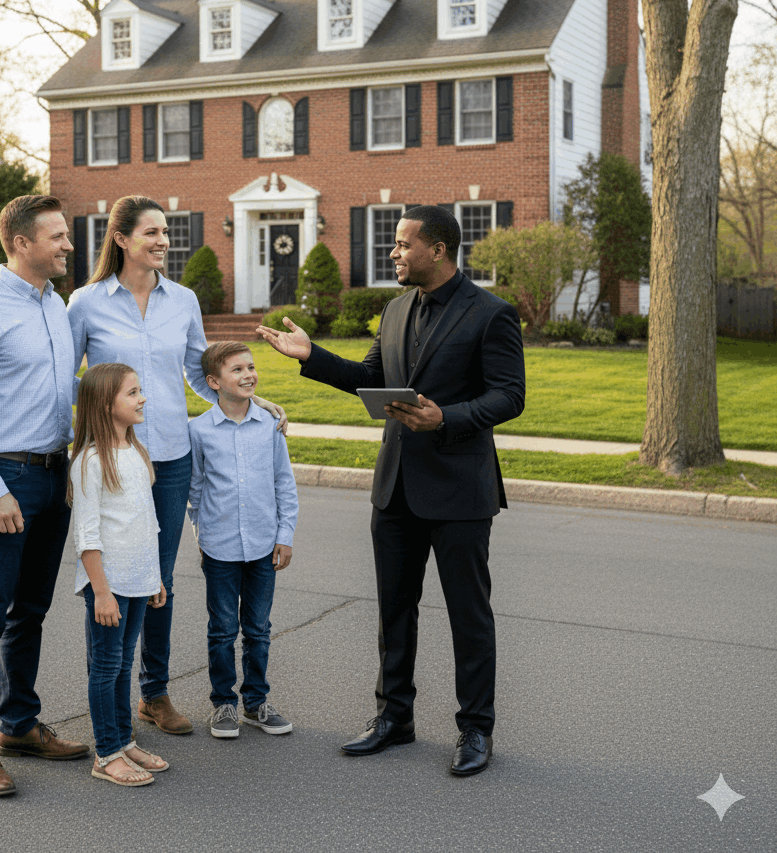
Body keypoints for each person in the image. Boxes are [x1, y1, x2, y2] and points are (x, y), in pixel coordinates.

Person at [257, 205, 525, 776]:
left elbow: (509, 396)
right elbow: (372, 379)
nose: (394, 253)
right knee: (393, 612)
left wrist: (445, 417)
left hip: (459, 493)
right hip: (396, 488)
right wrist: (312, 357)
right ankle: (393, 718)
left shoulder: (491, 314)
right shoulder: (396, 308)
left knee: (468, 615)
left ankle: (476, 729)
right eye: (395, 245)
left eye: (403, 244)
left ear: (439, 249)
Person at [66, 196, 285, 735]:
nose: (164, 240)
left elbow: (198, 371)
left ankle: (153, 693)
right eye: (152, 233)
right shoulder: (86, 303)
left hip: (170, 456)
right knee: (113, 576)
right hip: (115, 460)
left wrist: (250, 406)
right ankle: (112, 698)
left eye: (167, 232)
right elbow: (68, 377)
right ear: (120, 239)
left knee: (157, 578)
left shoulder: (182, 299)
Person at [0, 194, 88, 797]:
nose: (68, 244)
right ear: (22, 243)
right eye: (56, 236)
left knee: (31, 610)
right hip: (4, 479)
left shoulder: (56, 305)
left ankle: (19, 725)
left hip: (55, 475)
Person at [188, 342, 299, 739]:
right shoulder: (198, 430)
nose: (249, 374)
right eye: (237, 370)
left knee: (258, 628)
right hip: (218, 547)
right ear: (214, 382)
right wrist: (201, 535)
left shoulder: (269, 426)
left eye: (251, 367)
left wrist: (284, 536)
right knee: (221, 628)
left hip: (263, 546)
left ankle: (256, 702)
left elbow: (283, 483)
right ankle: (223, 704)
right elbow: (195, 490)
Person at [68, 363, 170, 787]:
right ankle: (106, 753)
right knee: (106, 667)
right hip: (108, 585)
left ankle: (124, 740)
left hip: (139, 578)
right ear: (105, 404)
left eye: (140, 390)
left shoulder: (136, 451)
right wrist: (102, 592)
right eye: (132, 393)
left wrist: (156, 577)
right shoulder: (91, 462)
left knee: (124, 663)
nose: (142, 398)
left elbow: (148, 524)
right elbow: (87, 538)